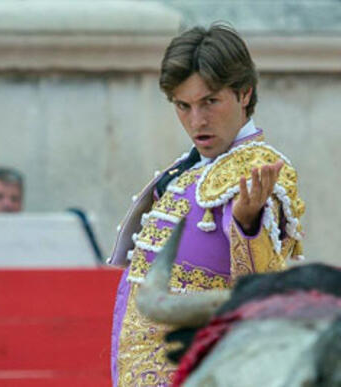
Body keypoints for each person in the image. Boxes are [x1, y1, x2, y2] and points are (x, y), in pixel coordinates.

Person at [107, 23, 305, 386]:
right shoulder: (187, 170)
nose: (197, 121)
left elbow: (266, 297)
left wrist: (248, 226)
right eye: (183, 106)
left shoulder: (257, 170)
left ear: (244, 94)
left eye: (210, 102)